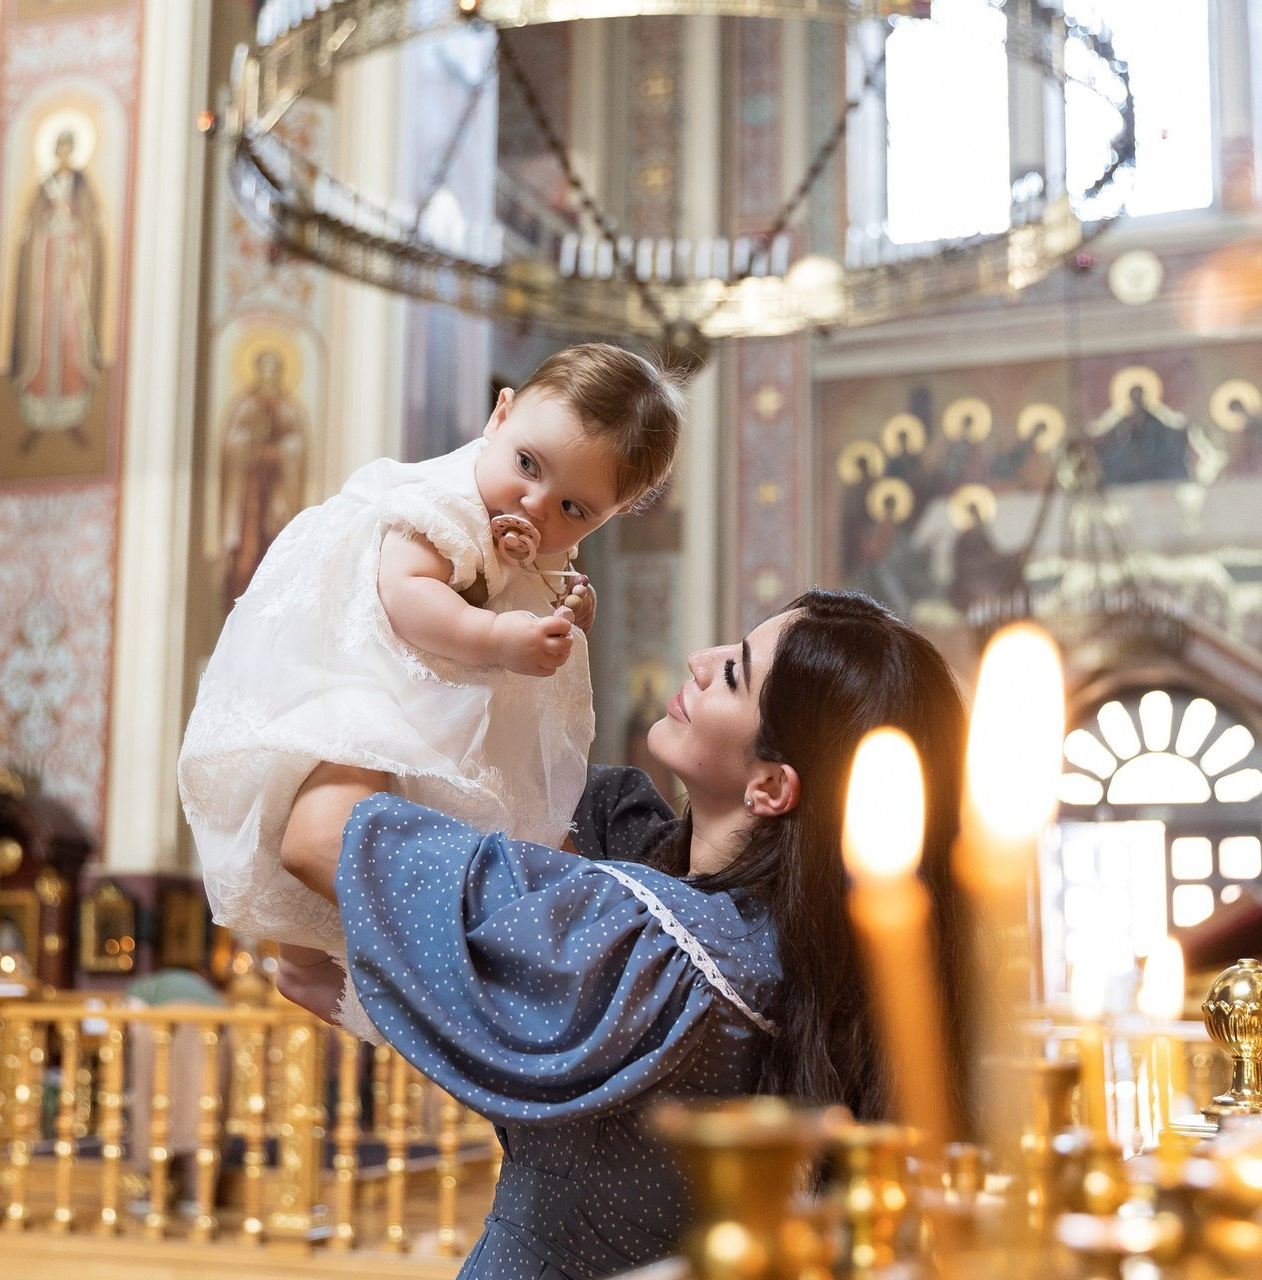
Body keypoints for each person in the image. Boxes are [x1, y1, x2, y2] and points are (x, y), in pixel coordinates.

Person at [276, 589, 971, 1279]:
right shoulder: (776, 945)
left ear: (770, 787)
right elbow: (510, 787)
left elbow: (319, 835)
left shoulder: (654, 946)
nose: (700, 661)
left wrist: (374, 647)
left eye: (734, 674)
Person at [178, 343, 683, 1035]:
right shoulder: (441, 502)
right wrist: (500, 637)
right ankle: (297, 959)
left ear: (610, 514)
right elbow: (404, 595)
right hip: (352, 657)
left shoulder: (544, 534)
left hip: (428, 689)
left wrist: (568, 607)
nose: (534, 504)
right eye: (527, 465)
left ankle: (330, 962)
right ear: (500, 416)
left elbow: (542, 583)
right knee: (321, 765)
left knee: (413, 811)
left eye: (573, 506)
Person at [10, 127, 104, 451]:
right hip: (46, 268)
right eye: (59, 148)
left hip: (72, 272)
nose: (64, 154)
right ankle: (37, 417)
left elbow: (92, 227)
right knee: (43, 333)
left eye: (68, 148)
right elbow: (30, 228)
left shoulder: (81, 185)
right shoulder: (43, 186)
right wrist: (47, 231)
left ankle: (72, 413)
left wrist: (78, 242)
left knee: (69, 333)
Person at [219, 346, 308, 611]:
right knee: (246, 553)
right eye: (264, 370)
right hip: (249, 495)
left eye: (274, 370)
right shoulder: (246, 406)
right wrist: (251, 450)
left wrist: (281, 452)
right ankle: (238, 609)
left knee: (276, 549)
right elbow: (233, 443)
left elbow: (298, 444)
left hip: (278, 493)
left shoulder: (288, 409)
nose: (268, 377)